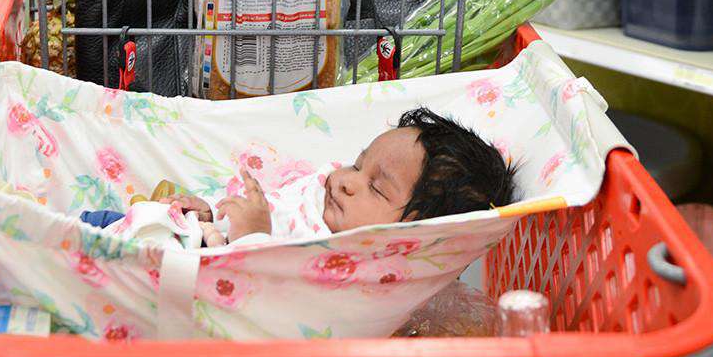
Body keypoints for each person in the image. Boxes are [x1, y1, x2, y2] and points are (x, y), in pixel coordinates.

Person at [155, 106, 517, 246]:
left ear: (417, 232)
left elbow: (265, 296)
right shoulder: (321, 200)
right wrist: (206, 215)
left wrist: (253, 239)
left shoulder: (347, 267)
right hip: (165, 236)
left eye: (376, 187)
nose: (346, 179)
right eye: (358, 164)